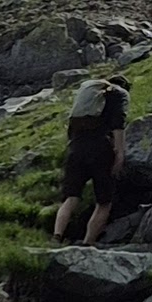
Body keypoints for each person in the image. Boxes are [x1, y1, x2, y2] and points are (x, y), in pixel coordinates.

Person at [53, 74, 128, 244]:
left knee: (71, 197)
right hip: (101, 150)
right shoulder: (119, 95)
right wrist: (120, 153)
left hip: (76, 149)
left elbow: (70, 131)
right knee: (104, 202)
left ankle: (57, 236)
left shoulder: (87, 100)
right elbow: (118, 124)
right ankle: (88, 243)